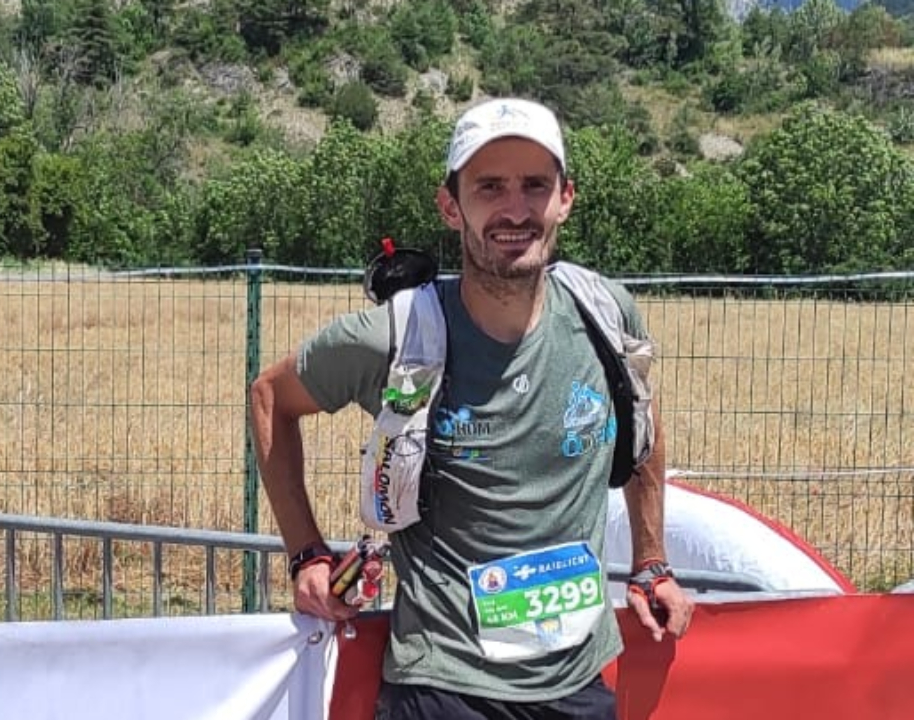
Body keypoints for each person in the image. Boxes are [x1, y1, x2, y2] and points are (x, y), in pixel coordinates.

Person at [248, 97, 694, 720]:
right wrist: (307, 555)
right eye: (490, 187)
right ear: (451, 206)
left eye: (534, 186)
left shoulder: (605, 314)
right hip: (443, 686)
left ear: (566, 197)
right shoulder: (398, 335)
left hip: (577, 682)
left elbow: (641, 430)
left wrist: (650, 563)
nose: (515, 210)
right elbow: (270, 395)